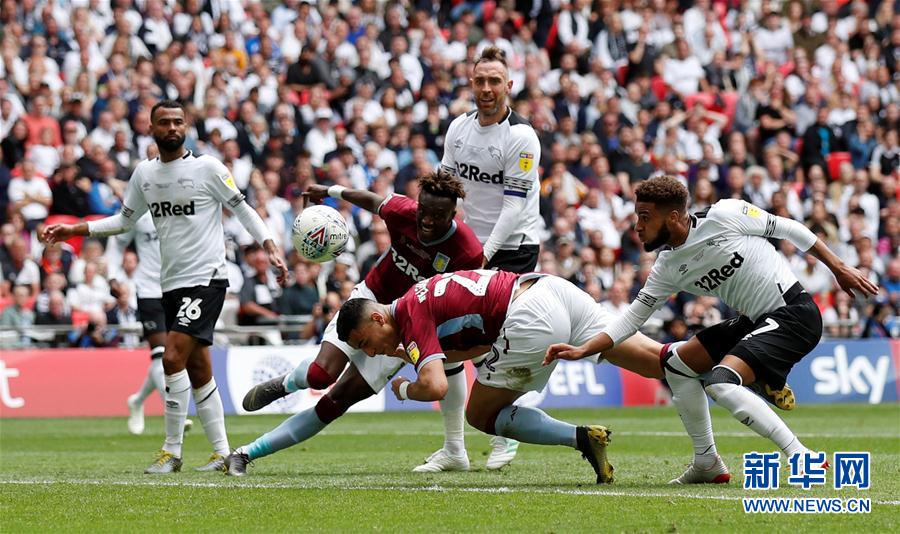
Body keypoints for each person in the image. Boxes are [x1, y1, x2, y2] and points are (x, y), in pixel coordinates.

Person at [544, 176, 878, 484]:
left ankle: (801, 455)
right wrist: (584, 349)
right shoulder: (667, 267)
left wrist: (839, 268)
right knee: (677, 365)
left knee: (721, 382)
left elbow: (790, 229)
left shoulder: (725, 215)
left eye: (645, 217)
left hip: (794, 314)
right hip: (754, 321)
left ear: (673, 217)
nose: (638, 226)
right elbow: (631, 319)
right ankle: (707, 461)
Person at [42, 100, 288, 474]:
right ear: (151, 129)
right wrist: (76, 229)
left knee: (171, 358)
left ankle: (171, 452)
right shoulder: (145, 174)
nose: (172, 127)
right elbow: (124, 222)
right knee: (199, 369)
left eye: (178, 121)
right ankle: (223, 454)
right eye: (164, 122)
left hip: (207, 279)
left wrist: (269, 244)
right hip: (170, 283)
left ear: (186, 126)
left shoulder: (208, 168)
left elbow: (242, 208)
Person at [230, 172, 483, 476]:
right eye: (423, 212)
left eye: (438, 216)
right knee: (320, 374)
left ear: (453, 215)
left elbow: (463, 300)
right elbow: (372, 200)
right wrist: (331, 191)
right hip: (369, 300)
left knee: (337, 401)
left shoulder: (468, 252)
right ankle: (287, 383)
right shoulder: (403, 212)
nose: (427, 221)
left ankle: (246, 453)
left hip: (405, 325)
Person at [332, 270, 670, 484]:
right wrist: (413, 356)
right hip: (549, 287)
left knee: (480, 414)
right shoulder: (417, 297)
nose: (371, 353)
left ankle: (581, 438)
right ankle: (700, 357)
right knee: (658, 361)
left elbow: (435, 386)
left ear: (378, 318)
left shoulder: (410, 316)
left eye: (365, 343)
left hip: (528, 317)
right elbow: (476, 344)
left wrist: (404, 389)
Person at [438, 45, 543, 470]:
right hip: (470, 249)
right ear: (471, 83)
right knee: (447, 343)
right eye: (480, 80)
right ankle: (454, 449)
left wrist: (482, 255)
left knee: (497, 344)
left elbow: (514, 206)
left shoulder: (521, 136)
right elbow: (445, 188)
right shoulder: (458, 129)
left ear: (509, 85)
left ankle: (505, 433)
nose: (486, 88)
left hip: (513, 248)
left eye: (494, 81)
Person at [115, 212, 193, 437]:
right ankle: (175, 413)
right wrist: (114, 277)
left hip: (178, 288)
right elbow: (117, 242)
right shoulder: (139, 212)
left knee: (172, 356)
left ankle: (137, 400)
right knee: (161, 357)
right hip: (148, 290)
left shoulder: (183, 209)